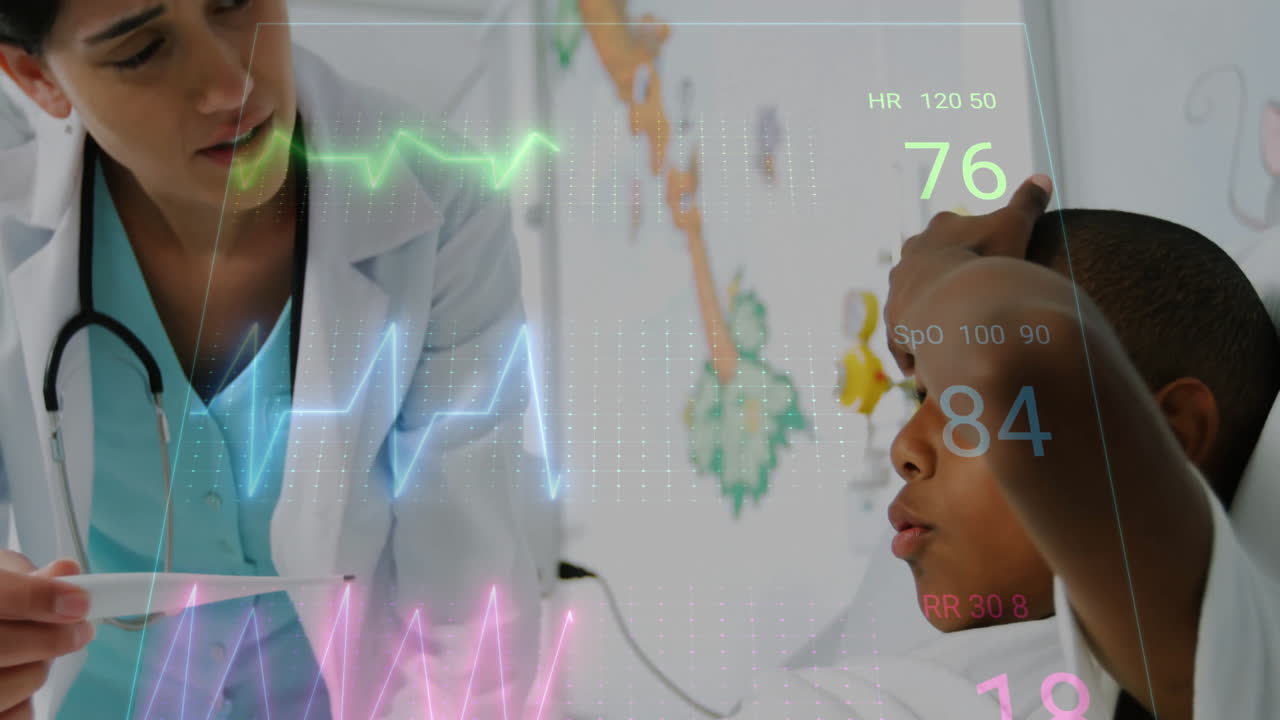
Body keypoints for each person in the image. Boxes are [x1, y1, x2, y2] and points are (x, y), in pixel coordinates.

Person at [0, 1, 545, 718]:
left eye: (236, 1)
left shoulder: (437, 206)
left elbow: (466, 604)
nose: (230, 84)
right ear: (36, 76)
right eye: (141, 52)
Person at [741, 177, 1280, 719]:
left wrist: (935, 274)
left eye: (965, 403)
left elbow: (1011, 354)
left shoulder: (1220, 659)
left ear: (1172, 433)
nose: (906, 448)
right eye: (923, 398)